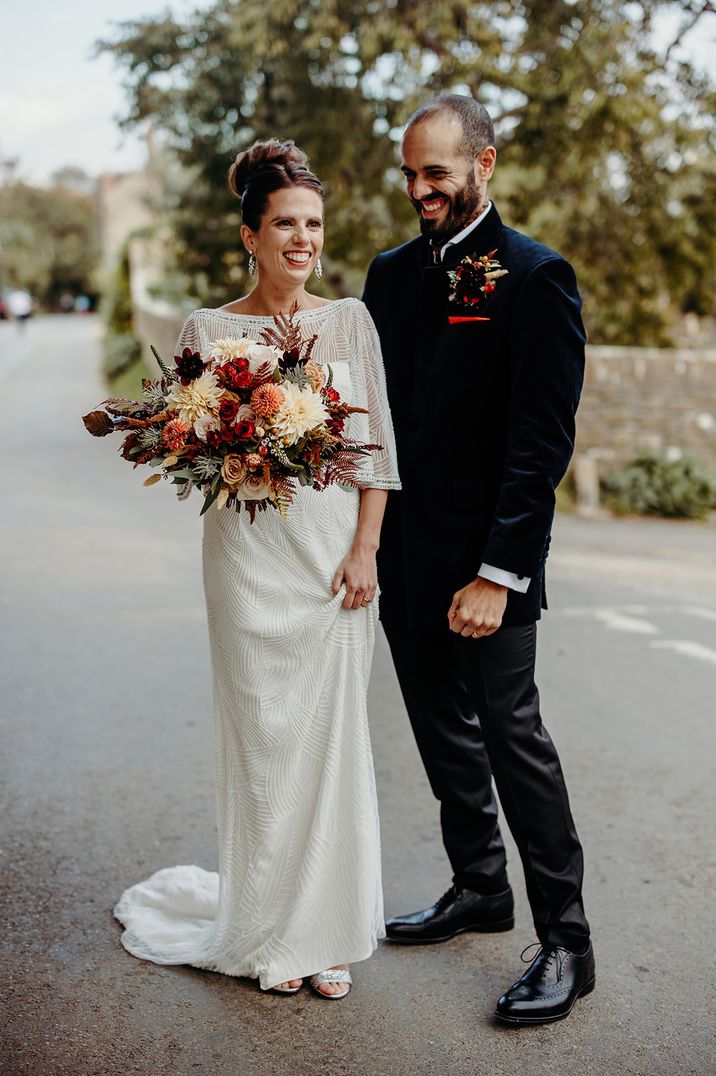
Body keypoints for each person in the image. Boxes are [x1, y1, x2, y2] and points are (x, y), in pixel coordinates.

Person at [114, 140, 400, 1000]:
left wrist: (365, 548)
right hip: (246, 559)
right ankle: (272, 925)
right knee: (264, 742)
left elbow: (378, 450)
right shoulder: (208, 332)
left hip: (331, 563)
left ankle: (328, 932)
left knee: (330, 741)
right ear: (251, 234)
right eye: (285, 223)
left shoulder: (349, 321)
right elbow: (187, 445)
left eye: (313, 223)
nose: (302, 238)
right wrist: (221, 434)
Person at [362, 94, 594, 1025]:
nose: (420, 190)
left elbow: (541, 444)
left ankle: (569, 945)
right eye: (410, 174)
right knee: (436, 728)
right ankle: (479, 887)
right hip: (404, 560)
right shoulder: (387, 275)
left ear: (484, 165)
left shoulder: (537, 277)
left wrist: (499, 575)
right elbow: (370, 421)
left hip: (486, 571)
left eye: (437, 174)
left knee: (514, 742)